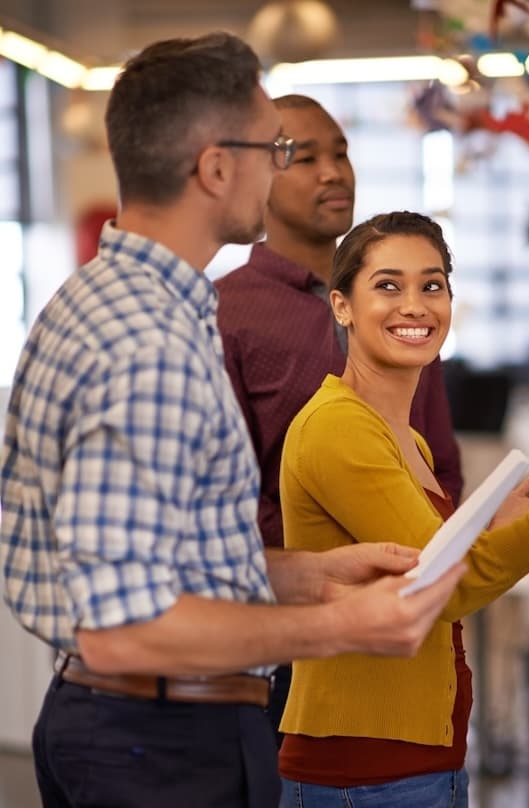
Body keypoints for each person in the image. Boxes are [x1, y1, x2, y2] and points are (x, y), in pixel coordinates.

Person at [0, 36, 467, 808]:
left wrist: (312, 576)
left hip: (137, 727)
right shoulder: (148, 344)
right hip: (159, 745)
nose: (285, 166)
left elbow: (166, 558)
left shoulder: (109, 302)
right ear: (217, 167)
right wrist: (344, 626)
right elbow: (128, 627)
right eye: (276, 147)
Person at [277, 211, 529, 807]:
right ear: (341, 306)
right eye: (387, 286)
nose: (414, 305)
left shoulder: (403, 436)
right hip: (363, 775)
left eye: (432, 285)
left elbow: (428, 550)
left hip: (411, 766)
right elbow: (446, 586)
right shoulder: (338, 427)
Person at [215, 93, 463, 737]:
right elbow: (223, 497)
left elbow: (440, 463)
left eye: (341, 153)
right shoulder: (226, 313)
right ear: (256, 178)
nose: (333, 172)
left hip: (411, 610)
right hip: (285, 635)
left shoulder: (397, 308)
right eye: (303, 157)